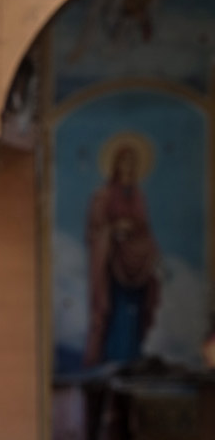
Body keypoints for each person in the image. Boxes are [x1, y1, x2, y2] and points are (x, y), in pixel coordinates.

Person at [84, 142, 160, 368]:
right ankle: (113, 358)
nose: (128, 167)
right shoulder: (104, 195)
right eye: (124, 162)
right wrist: (114, 229)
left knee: (135, 313)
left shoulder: (138, 196)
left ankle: (132, 357)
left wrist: (146, 245)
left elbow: (144, 229)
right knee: (115, 310)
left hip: (137, 263)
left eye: (132, 163)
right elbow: (95, 229)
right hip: (113, 262)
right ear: (116, 165)